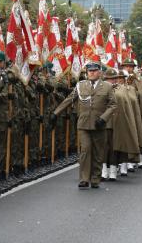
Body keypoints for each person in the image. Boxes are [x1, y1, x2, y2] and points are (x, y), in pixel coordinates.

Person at [51, 60, 117, 189]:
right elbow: (69, 99)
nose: (91, 73)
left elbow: (113, 105)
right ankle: (84, 179)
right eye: (89, 71)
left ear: (99, 72)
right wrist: (56, 113)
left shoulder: (107, 86)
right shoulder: (81, 86)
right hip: (83, 124)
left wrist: (104, 118)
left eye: (94, 71)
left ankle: (95, 178)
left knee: (98, 153)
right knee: (85, 150)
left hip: (99, 124)